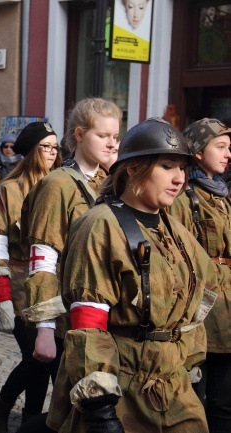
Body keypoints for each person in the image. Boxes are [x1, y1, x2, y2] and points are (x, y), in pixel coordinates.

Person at [46, 118, 222, 432]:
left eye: (182, 168)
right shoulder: (100, 226)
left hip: (175, 385)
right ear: (134, 168)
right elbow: (88, 323)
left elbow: (197, 303)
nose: (179, 178)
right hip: (121, 383)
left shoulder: (176, 230)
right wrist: (100, 409)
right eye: (167, 167)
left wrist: (189, 366)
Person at [21, 98, 121, 380]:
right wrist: (45, 328)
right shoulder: (58, 185)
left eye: (115, 137)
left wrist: (117, 174)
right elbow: (43, 257)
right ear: (79, 134)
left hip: (108, 309)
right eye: (102, 136)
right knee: (72, 410)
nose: (111, 144)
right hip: (70, 312)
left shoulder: (111, 182)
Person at [0, 122, 61, 432]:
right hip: (18, 283)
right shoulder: (8, 191)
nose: (53, 153)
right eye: (46, 147)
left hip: (52, 282)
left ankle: (30, 419)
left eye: (56, 147)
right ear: (30, 153)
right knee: (35, 356)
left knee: (48, 359)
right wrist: (0, 291)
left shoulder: (60, 186)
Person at [168, 118, 231, 433]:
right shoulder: (184, 198)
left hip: (227, 309)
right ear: (196, 152)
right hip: (200, 309)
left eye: (228, 147)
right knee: (194, 400)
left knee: (226, 402)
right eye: (219, 147)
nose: (227, 154)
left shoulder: (223, 195)